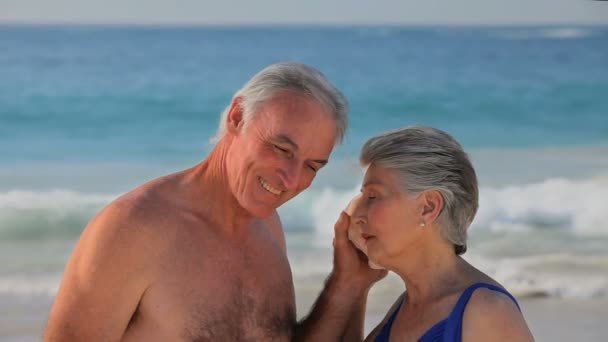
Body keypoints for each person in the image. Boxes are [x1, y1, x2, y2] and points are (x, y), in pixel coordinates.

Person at [45, 62, 365, 341]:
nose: (292, 180)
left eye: (312, 166)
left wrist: (346, 284)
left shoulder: (268, 228)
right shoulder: (134, 228)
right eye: (281, 150)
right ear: (237, 117)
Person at [341, 126, 534, 341]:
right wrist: (353, 283)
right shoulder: (402, 311)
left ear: (428, 207)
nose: (356, 214)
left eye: (373, 196)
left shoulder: (488, 313)